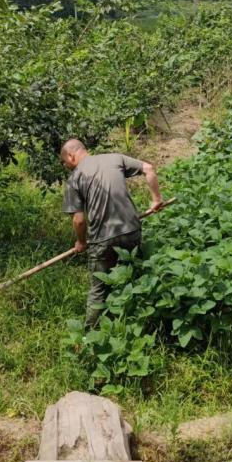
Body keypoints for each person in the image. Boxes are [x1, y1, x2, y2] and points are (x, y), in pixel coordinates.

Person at [60, 139, 163, 328]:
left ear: (70, 155)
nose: (67, 166)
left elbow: (79, 220)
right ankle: (143, 323)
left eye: (65, 163)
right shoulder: (115, 158)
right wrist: (156, 199)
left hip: (102, 238)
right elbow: (148, 168)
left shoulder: (75, 178)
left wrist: (81, 242)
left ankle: (90, 336)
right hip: (132, 230)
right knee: (134, 275)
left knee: (98, 289)